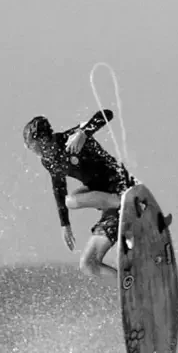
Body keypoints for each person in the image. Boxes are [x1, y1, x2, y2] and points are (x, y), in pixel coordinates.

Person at [23, 110, 134, 279]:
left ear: (45, 139)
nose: (38, 152)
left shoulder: (71, 139)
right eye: (34, 149)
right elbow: (58, 188)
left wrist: (84, 133)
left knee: (71, 201)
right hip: (109, 207)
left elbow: (107, 114)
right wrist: (65, 225)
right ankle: (129, 284)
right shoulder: (49, 161)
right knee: (88, 264)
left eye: (37, 146)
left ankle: (125, 202)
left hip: (120, 185)